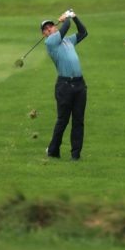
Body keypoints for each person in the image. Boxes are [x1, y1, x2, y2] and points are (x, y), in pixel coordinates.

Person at [41, 10, 88, 160]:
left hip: (80, 85)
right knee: (63, 120)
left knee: (78, 121)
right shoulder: (50, 42)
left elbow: (83, 32)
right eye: (46, 29)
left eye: (51, 26)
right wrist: (66, 18)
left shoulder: (68, 40)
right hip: (64, 86)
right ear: (44, 34)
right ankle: (53, 151)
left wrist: (75, 17)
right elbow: (65, 27)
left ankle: (76, 155)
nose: (50, 29)